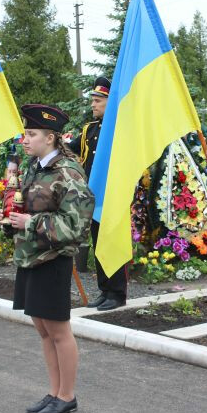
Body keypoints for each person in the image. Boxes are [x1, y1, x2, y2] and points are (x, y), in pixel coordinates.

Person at [10, 104, 94, 413]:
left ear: (51, 137)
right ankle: (54, 391)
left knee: (59, 331)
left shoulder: (68, 172)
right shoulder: (35, 166)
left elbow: (76, 225)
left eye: (31, 134)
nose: (25, 139)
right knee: (43, 331)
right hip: (30, 256)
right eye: (25, 133)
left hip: (53, 258)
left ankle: (67, 395)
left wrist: (28, 224)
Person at [68, 76, 129, 310]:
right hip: (94, 197)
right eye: (92, 100)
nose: (92, 104)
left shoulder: (118, 129)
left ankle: (118, 293)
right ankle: (105, 290)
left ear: (108, 102)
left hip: (113, 195)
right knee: (98, 242)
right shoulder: (90, 130)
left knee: (113, 242)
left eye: (97, 100)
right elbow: (70, 148)